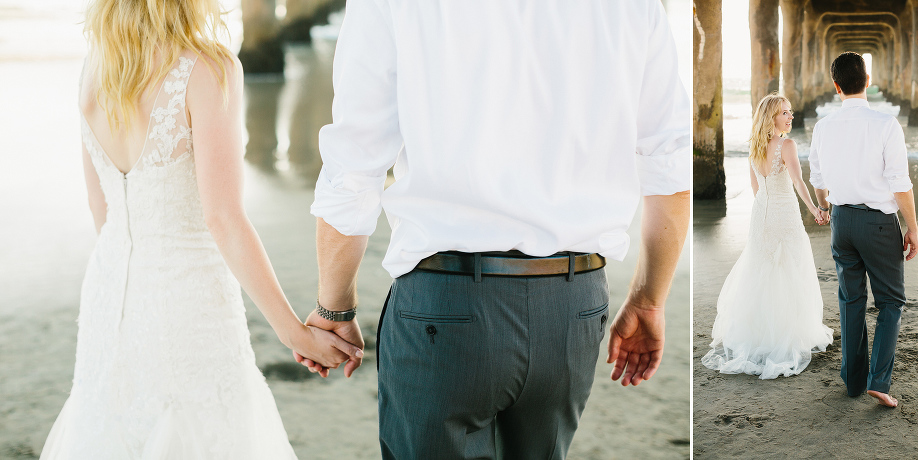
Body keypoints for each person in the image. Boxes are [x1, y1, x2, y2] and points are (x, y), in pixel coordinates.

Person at [293, 0, 690, 457]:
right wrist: (648, 299)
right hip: (572, 308)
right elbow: (670, 166)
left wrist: (335, 306)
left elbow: (354, 165)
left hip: (446, 310)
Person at [40, 1, 359, 457]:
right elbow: (224, 219)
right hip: (188, 301)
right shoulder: (209, 68)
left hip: (108, 298)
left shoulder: (96, 70)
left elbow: (101, 209)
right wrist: (295, 333)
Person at [809, 51, 918, 408]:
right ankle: (879, 382)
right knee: (890, 301)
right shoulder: (886, 124)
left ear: (836, 86)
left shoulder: (823, 127)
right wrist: (912, 226)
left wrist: (824, 208)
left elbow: (819, 180)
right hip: (878, 223)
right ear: (867, 81)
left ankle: (853, 380)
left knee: (851, 300)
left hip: (841, 221)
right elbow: (899, 183)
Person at [701, 93, 834, 380]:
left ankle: (758, 334)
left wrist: (765, 214)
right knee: (791, 269)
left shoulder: (755, 147)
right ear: (772, 117)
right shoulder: (787, 144)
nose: (790, 116)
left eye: (790, 112)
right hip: (784, 216)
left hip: (761, 215)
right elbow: (798, 180)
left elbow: (756, 190)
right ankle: (786, 335)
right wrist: (816, 208)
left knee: (761, 270)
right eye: (785, 112)